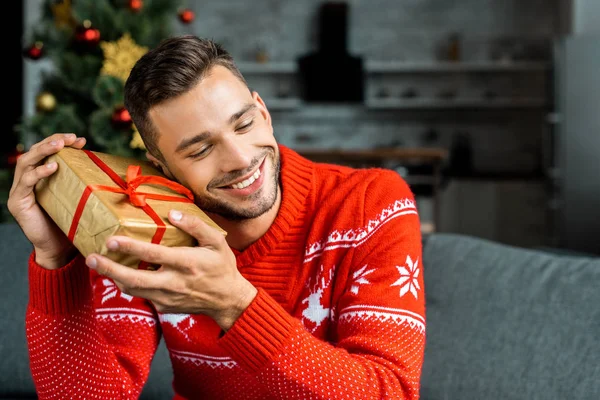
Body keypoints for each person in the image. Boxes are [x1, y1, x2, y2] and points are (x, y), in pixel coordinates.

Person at [9, 35, 425, 399]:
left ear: (262, 111)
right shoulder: (141, 223)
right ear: (163, 166)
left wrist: (235, 305)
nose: (241, 160)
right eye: (200, 150)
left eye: (243, 124)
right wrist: (54, 259)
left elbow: (390, 393)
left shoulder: (371, 203)